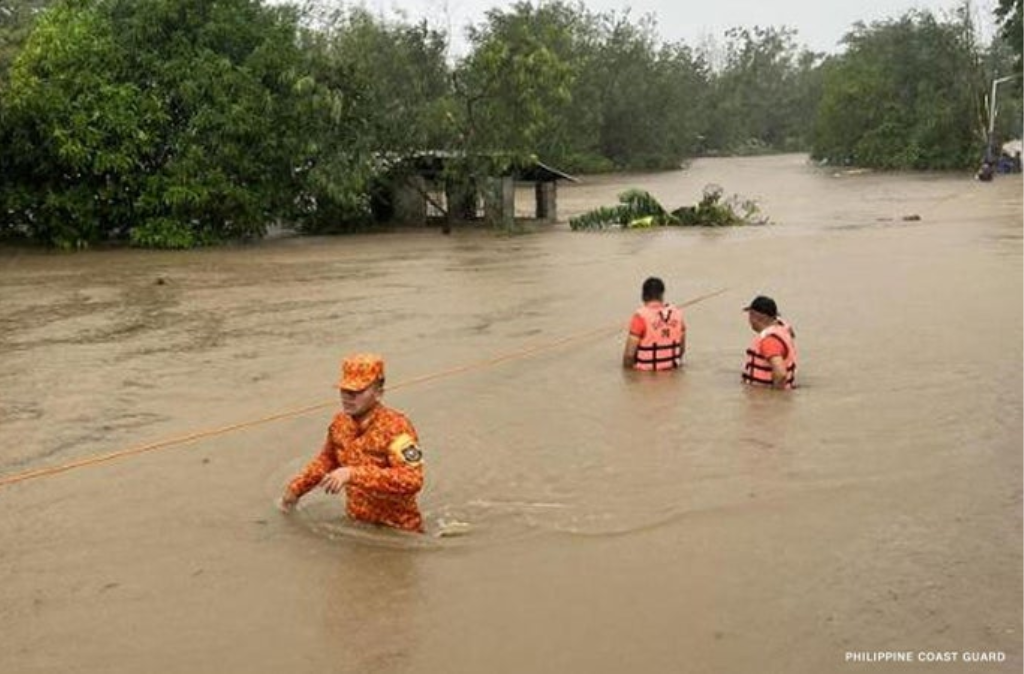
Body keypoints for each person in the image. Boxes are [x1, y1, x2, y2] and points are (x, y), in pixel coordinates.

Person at [278, 353, 425, 533]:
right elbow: (327, 460)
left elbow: (412, 480)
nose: (348, 397)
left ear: (378, 393)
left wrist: (353, 473)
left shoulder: (398, 428)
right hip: (357, 525)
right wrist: (294, 491)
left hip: (399, 532)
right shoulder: (340, 424)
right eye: (345, 390)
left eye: (357, 392)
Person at [622, 276, 686, 370]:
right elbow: (681, 350)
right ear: (662, 295)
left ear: (643, 295)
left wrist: (628, 375)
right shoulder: (678, 314)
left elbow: (629, 356)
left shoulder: (640, 316)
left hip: (645, 377)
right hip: (672, 374)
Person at [741, 295, 797, 390]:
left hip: (763, 398)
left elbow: (781, 374)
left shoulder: (769, 341)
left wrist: (773, 399)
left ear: (756, 317)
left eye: (750, 314)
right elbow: (791, 331)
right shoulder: (783, 328)